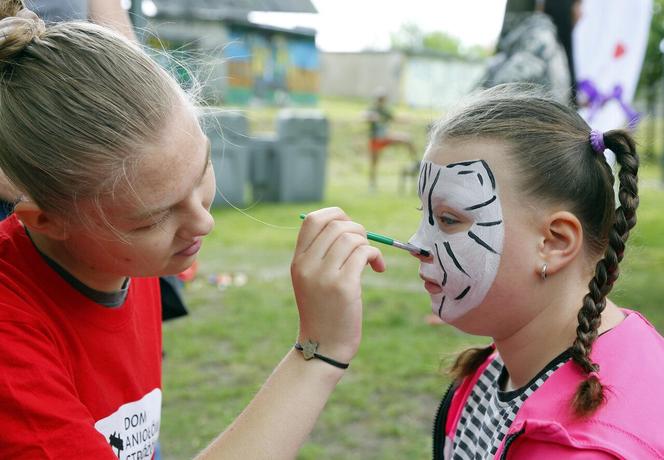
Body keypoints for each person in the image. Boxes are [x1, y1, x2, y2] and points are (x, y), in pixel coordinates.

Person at [0, 2, 384, 458]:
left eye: (202, 170)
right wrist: (319, 353)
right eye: (154, 217)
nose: (204, 223)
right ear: (44, 219)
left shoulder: (119, 256)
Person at [409, 84, 663, 457]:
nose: (418, 243)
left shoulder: (585, 448)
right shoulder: (511, 361)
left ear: (555, 242)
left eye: (448, 219)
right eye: (426, 215)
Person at [480, 0, 582, 106]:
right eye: (579, 6)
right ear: (565, 6)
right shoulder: (543, 38)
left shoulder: (549, 39)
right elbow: (502, 84)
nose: (582, 14)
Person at [365, 92, 417, 190]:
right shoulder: (373, 109)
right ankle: (372, 185)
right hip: (376, 139)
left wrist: (406, 119)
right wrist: (372, 117)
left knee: (406, 139)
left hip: (385, 137)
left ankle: (416, 162)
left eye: (383, 99)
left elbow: (395, 118)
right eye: (380, 99)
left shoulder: (385, 111)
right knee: (374, 163)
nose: (381, 101)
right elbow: (366, 115)